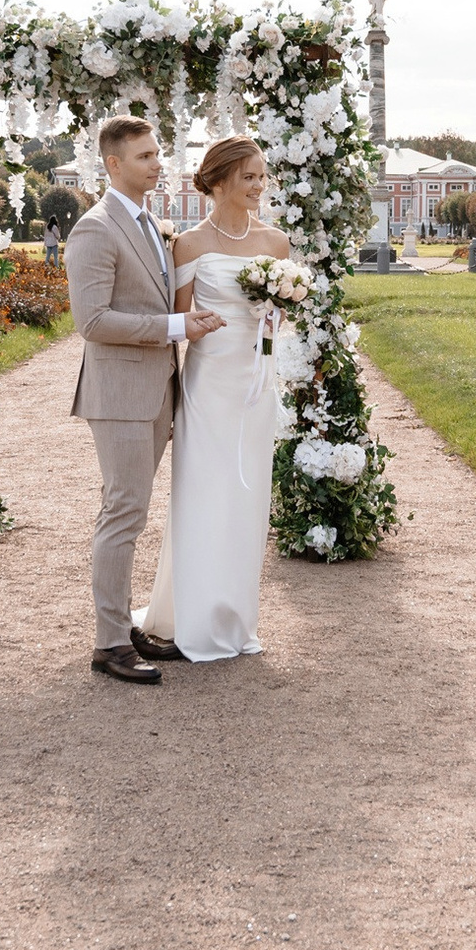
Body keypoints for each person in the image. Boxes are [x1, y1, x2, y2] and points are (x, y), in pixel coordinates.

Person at [64, 117, 225, 685]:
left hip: (159, 389)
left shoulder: (151, 222)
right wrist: (177, 326)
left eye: (158, 153)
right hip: (121, 395)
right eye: (144, 156)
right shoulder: (95, 229)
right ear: (113, 163)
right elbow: (93, 321)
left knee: (135, 512)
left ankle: (122, 624)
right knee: (124, 512)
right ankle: (109, 644)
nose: (158, 164)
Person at [134, 135, 289, 664]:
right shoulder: (191, 245)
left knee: (246, 501)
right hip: (206, 388)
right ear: (219, 181)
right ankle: (190, 620)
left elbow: (279, 320)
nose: (258, 186)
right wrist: (194, 334)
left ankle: (233, 618)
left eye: (262, 176)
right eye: (248, 176)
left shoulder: (277, 245)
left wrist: (275, 315)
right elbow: (178, 324)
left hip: (255, 387)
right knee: (201, 497)